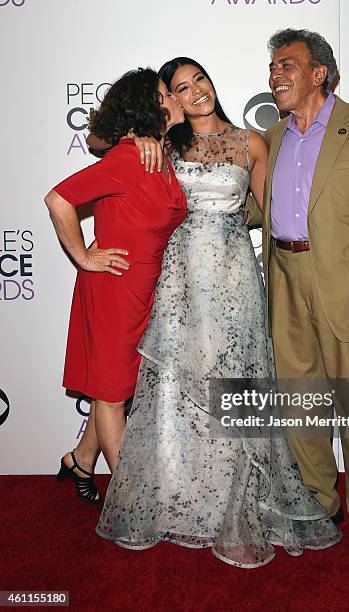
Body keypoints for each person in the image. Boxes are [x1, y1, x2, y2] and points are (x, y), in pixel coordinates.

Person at [91, 57, 342, 567]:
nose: (195, 92)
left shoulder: (252, 143)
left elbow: (275, 213)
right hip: (176, 280)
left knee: (234, 380)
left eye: (199, 79)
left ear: (211, 82)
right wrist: (137, 138)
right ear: (170, 100)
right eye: (181, 88)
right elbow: (100, 146)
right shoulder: (163, 144)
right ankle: (181, 496)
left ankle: (236, 497)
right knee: (174, 387)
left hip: (233, 280)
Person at [246, 29, 349, 578]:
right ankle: (319, 505)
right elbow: (251, 209)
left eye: (287, 64)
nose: (275, 74)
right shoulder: (270, 136)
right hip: (286, 280)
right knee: (301, 405)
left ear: (319, 73)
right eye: (272, 66)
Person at [45, 68, 186, 503]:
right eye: (168, 92)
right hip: (113, 288)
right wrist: (84, 256)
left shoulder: (155, 155)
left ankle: (80, 461)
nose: (177, 97)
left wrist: (149, 138)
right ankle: (133, 503)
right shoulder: (129, 158)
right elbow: (59, 199)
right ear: (153, 107)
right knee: (110, 396)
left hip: (141, 290)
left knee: (117, 387)